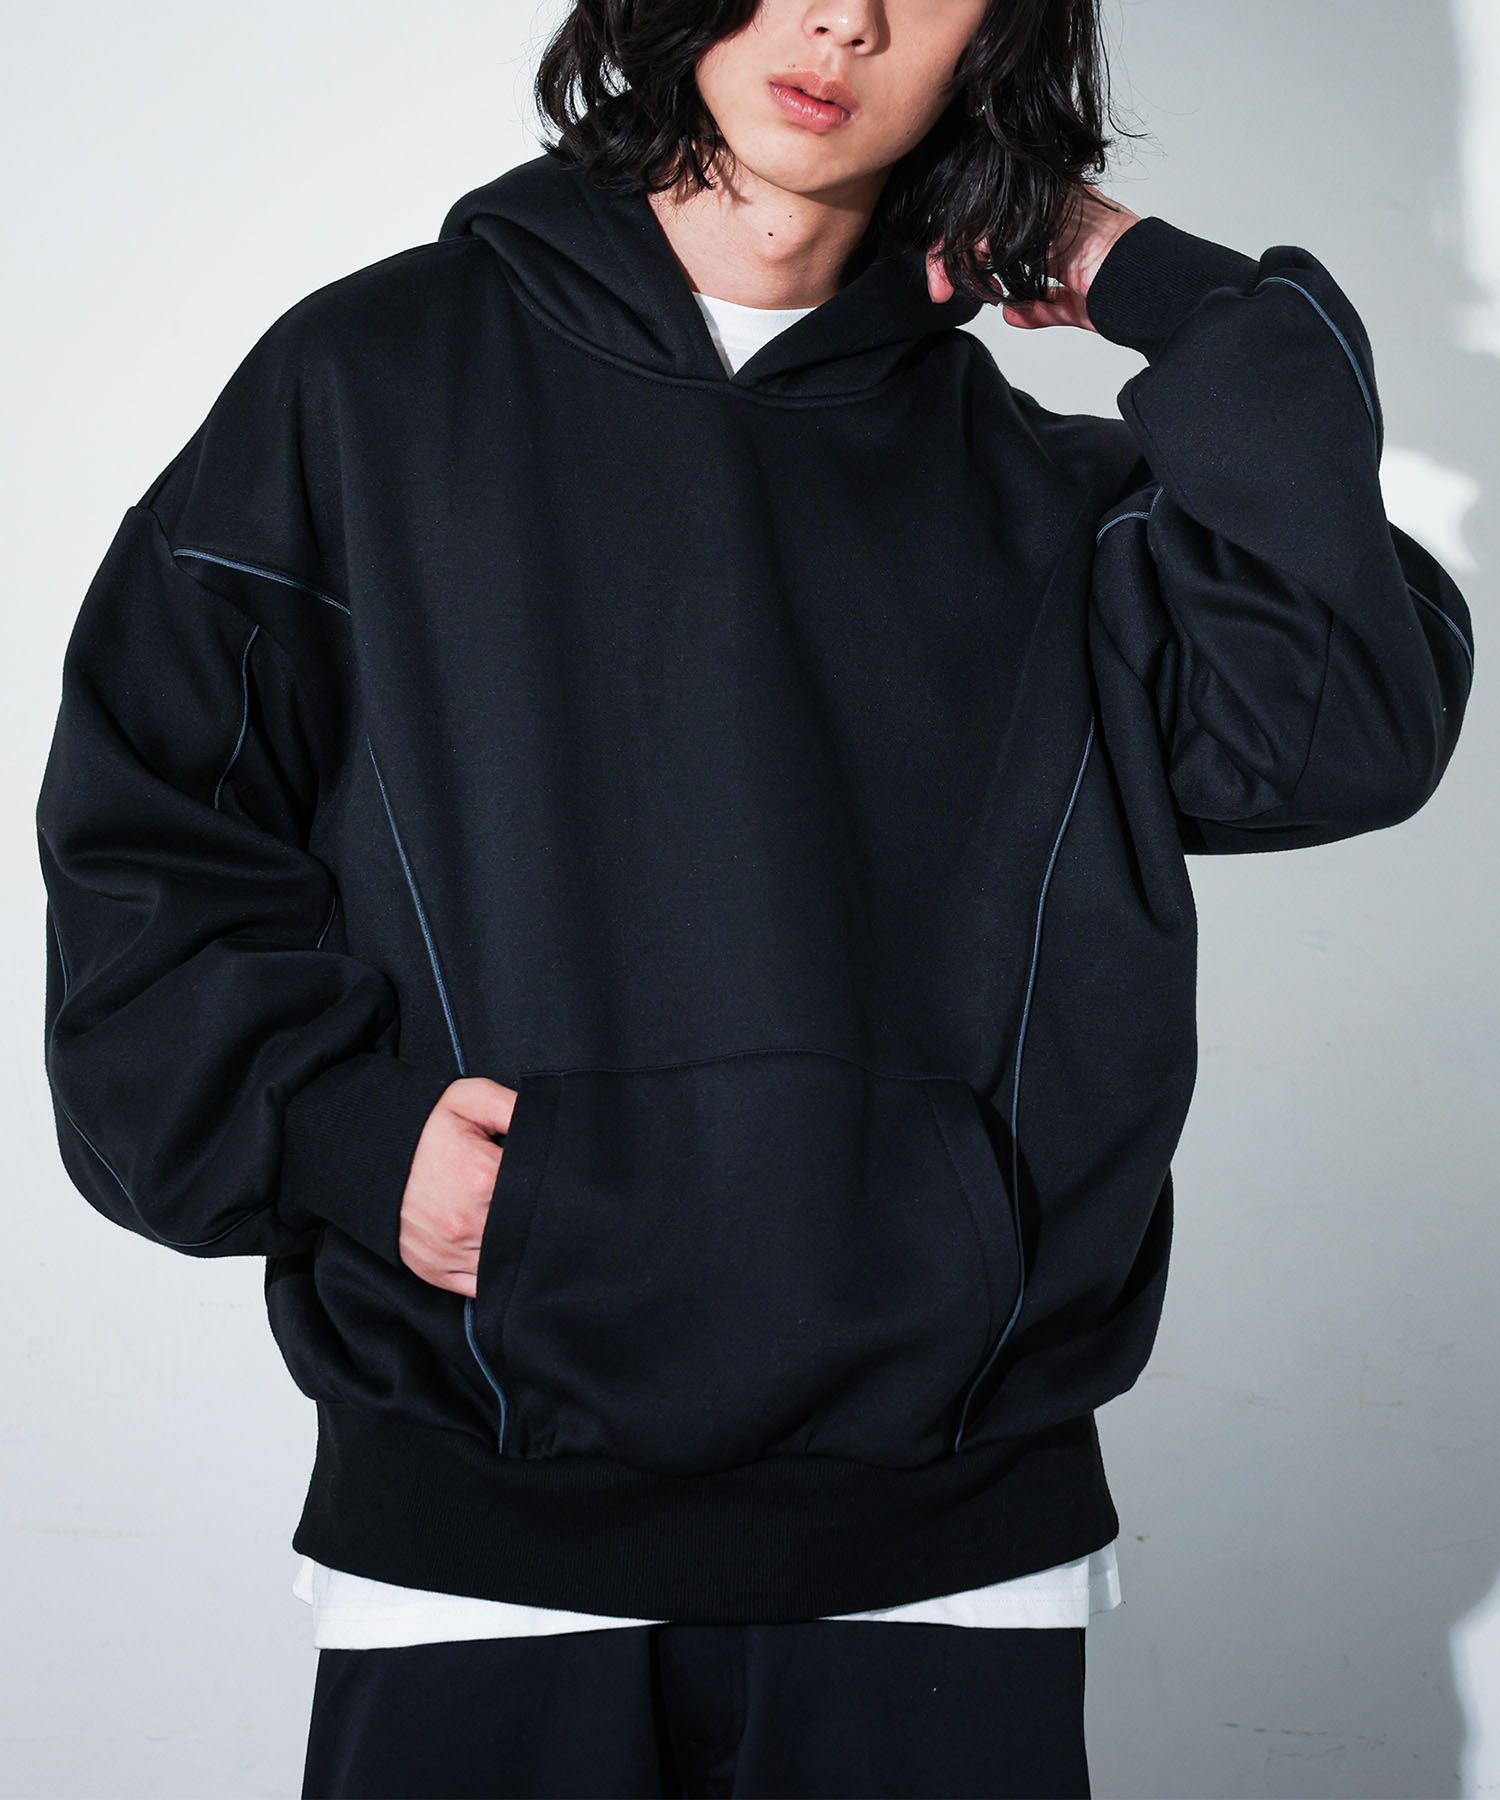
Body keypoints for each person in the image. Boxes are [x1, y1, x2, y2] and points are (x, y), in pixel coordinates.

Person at [34, 0, 1474, 1793]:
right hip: (476, 1532)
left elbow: (1346, 728)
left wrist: (1174, 290)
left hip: (949, 1548)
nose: (843, 17)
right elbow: (148, 843)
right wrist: (341, 1133)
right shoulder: (364, 387)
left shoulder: (1053, 504)